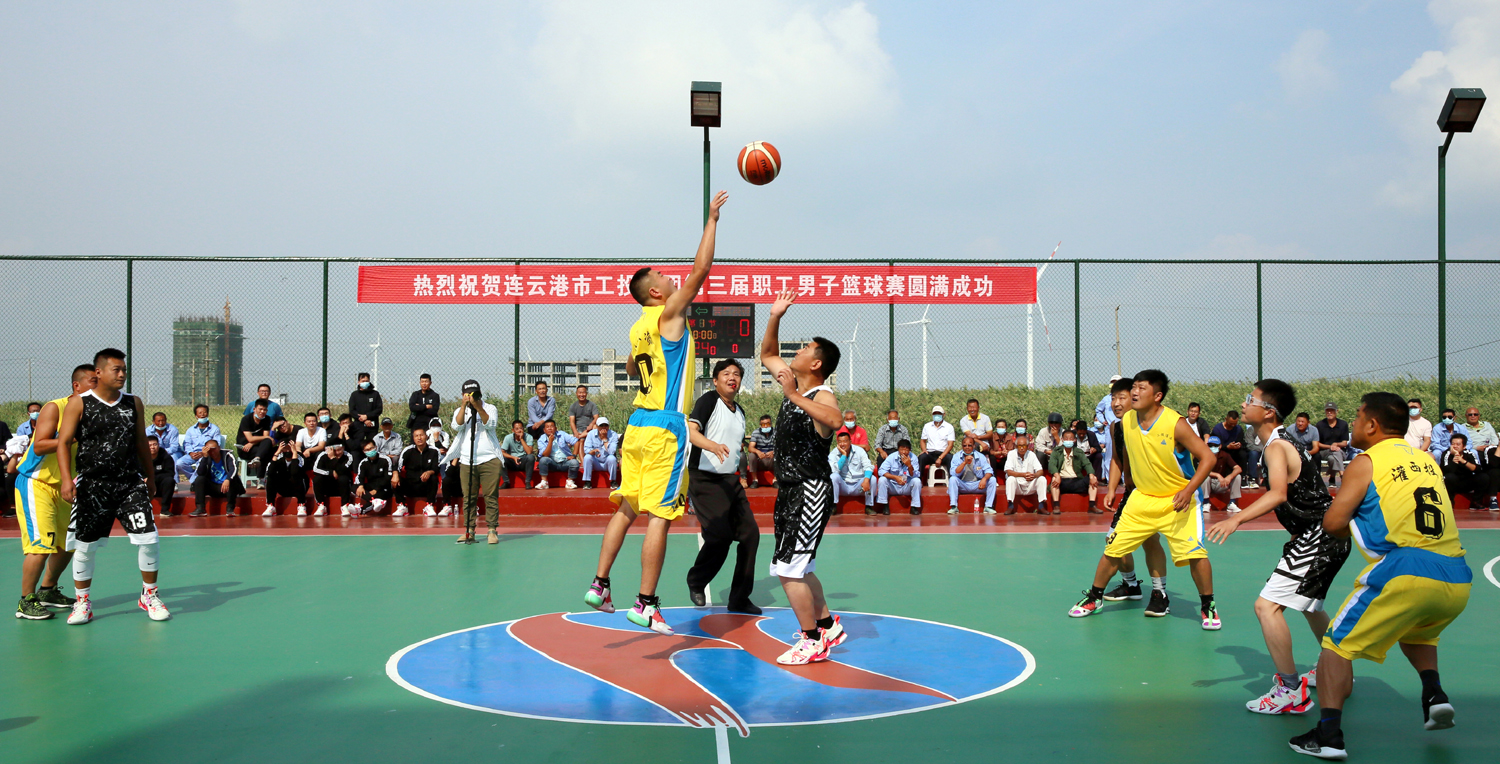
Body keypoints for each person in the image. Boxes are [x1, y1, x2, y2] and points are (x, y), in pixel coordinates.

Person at [1287, 392, 1473, 760]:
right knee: (1418, 631)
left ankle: (1328, 735)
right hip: (1456, 575)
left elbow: (1334, 523)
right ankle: (1434, 694)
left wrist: (1347, 521)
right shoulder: (1425, 460)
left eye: (1357, 417)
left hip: (1405, 570)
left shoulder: (1366, 461)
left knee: (1335, 646)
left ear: (1372, 425)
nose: (1353, 423)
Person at [584, 188, 727, 635]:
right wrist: (712, 220)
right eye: (664, 276)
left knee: (626, 507)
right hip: (666, 427)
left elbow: (632, 367)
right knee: (660, 516)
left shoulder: (637, 327)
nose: (670, 277)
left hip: (636, 426)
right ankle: (645, 602)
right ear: (654, 291)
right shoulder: (668, 314)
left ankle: (600, 584)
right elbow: (701, 270)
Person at [1206, 380, 1352, 718]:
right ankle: (1339, 671)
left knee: (1266, 607)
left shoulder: (1276, 446)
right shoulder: (1283, 442)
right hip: (1322, 534)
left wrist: (1235, 519)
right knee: (1310, 605)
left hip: (1318, 536)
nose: (1244, 404)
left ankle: (1290, 691)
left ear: (1269, 412)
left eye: (1251, 399)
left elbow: (1278, 494)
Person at [1070, 369, 1220, 630]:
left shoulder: (1175, 423)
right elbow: (1121, 458)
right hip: (1141, 498)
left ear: (1157, 396)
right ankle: (1095, 598)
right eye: (1134, 388)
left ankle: (1208, 605)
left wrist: (1188, 490)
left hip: (1177, 500)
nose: (1135, 392)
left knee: (1195, 554)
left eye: (1141, 388)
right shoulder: (1125, 422)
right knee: (1113, 549)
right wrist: (1113, 487)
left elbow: (1208, 458)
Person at [758, 290, 845, 665]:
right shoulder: (794, 381)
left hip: (810, 490)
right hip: (791, 490)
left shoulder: (822, 395)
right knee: (801, 567)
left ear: (817, 362)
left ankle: (812, 641)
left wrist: (794, 395)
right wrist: (775, 316)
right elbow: (767, 354)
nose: (800, 349)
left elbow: (836, 421)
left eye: (807, 347)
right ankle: (827, 625)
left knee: (788, 569)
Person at [54, 349, 168, 624]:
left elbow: (141, 442)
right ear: (99, 372)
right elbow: (63, 442)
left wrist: (150, 477)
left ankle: (149, 595)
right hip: (93, 486)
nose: (122, 374)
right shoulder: (79, 403)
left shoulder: (133, 402)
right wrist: (67, 480)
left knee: (149, 540)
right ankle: (83, 603)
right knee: (85, 547)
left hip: (130, 484)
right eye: (116, 369)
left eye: (124, 369)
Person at [11, 366, 91, 620]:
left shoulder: (93, 413)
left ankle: (48, 590)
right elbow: (41, 445)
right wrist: (73, 439)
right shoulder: (55, 408)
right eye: (93, 382)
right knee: (41, 546)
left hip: (65, 486)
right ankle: (26, 601)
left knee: (68, 544)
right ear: (76, 386)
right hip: (36, 483)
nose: (98, 387)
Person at [684, 358, 760, 614]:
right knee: (720, 536)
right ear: (715, 380)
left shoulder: (740, 412)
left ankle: (739, 598)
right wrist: (712, 446)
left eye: (736, 374)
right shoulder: (708, 401)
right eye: (726, 373)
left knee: (750, 535)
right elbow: (691, 432)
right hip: (705, 479)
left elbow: (736, 448)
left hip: (730, 481)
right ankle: (697, 580)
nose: (732, 377)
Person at [1098, 377, 1171, 612]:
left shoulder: (1151, 425)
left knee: (1151, 541)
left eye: (1122, 397)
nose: (1116, 403)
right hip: (1132, 494)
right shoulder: (1116, 427)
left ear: (1135, 398)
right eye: (1113, 398)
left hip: (1153, 492)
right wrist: (1111, 489)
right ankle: (1131, 585)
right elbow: (1116, 459)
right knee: (1115, 540)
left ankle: (1159, 593)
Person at [452, 380, 502, 543]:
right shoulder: (460, 411)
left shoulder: (490, 408)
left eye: (474, 393)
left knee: (490, 496)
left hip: (489, 459)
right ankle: (469, 530)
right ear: (462, 395)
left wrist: (478, 407)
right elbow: (457, 426)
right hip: (467, 460)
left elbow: (490, 424)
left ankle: (492, 530)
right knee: (469, 497)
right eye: (468, 394)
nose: (471, 396)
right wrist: (464, 406)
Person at [395, 427, 442, 517]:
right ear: (413, 438)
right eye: (416, 436)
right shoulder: (408, 451)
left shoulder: (434, 451)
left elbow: (437, 468)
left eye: (421, 435)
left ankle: (430, 505)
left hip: (426, 486)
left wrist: (429, 472)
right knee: (395, 477)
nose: (419, 438)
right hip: (410, 486)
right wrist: (395, 475)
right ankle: (402, 506)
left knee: (433, 478)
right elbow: (398, 466)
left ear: (426, 436)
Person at [190, 439, 243, 518]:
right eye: (209, 450)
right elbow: (200, 473)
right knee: (199, 479)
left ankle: (230, 509)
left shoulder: (228, 455)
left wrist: (227, 479)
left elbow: (233, 469)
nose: (212, 452)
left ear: (219, 448)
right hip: (213, 487)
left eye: (214, 449)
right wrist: (205, 457)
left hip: (227, 487)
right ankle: (200, 508)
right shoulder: (205, 457)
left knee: (232, 480)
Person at [948, 435, 997, 514]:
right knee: (952, 479)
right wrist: (964, 462)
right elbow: (954, 473)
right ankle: (954, 507)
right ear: (962, 446)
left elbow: (989, 471)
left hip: (978, 485)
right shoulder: (956, 456)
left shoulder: (981, 456)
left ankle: (988, 506)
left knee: (992, 480)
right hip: (963, 484)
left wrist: (984, 479)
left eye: (969, 445)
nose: (967, 447)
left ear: (974, 446)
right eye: (965, 445)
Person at [1049, 429, 1097, 510]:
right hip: (1062, 481)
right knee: (1054, 479)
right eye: (1066, 438)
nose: (1068, 441)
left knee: (1093, 478)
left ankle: (1092, 506)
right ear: (1062, 439)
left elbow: (1087, 464)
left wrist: (1091, 475)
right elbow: (1052, 465)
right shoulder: (1057, 451)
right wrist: (1057, 475)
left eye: (1071, 439)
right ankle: (1056, 506)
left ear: (1074, 440)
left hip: (1076, 481)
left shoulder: (1079, 452)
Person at [260, 436, 307, 516]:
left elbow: (295, 472)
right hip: (283, 487)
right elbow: (269, 472)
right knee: (271, 478)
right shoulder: (277, 456)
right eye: (285, 448)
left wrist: (294, 454)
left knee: (297, 477)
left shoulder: (300, 457)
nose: (288, 450)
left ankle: (301, 505)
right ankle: (271, 506)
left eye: (289, 447)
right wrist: (277, 453)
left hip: (298, 488)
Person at [829, 431, 875, 512]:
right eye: (840, 442)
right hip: (843, 486)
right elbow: (834, 470)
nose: (842, 444)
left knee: (873, 479)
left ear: (850, 442)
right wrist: (844, 455)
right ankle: (833, 505)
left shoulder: (860, 451)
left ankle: (869, 506)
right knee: (833, 477)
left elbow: (868, 466)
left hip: (859, 486)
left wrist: (866, 480)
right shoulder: (834, 453)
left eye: (845, 441)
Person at [876, 439, 922, 515]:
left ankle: (914, 507)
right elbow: (881, 471)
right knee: (882, 479)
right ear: (898, 449)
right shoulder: (891, 457)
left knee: (917, 481)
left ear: (909, 450)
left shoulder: (913, 458)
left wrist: (909, 465)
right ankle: (884, 505)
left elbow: (916, 475)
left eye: (906, 450)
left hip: (906, 486)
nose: (904, 452)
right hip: (893, 486)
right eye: (902, 449)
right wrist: (895, 477)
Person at [352, 438, 396, 515]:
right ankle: (375, 501)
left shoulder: (385, 459)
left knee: (380, 494)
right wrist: (361, 486)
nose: (370, 451)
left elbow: (387, 477)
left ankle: (360, 509)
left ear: (376, 447)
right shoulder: (363, 463)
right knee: (354, 487)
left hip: (384, 487)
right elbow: (360, 476)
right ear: (363, 451)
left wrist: (376, 489)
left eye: (371, 448)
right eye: (367, 450)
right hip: (371, 486)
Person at [1003, 435, 1047, 514]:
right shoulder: (1011, 454)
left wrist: (1033, 476)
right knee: (1010, 479)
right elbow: (1009, 472)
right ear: (1016, 446)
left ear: (1027, 446)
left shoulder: (1032, 455)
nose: (1022, 448)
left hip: (1030, 484)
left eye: (1024, 446)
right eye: (1019, 446)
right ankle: (1010, 506)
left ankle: (1041, 506)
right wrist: (1023, 475)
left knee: (1042, 479)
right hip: (1017, 486)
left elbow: (1040, 471)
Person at [1438, 433, 1484, 507]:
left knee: (1483, 477)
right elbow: (1446, 470)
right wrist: (1455, 457)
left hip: (1467, 481)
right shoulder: (1446, 454)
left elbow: (1477, 469)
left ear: (1464, 446)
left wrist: (1462, 461)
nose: (1455, 446)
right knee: (1450, 477)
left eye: (1458, 444)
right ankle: (1450, 502)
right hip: (1453, 483)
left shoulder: (1470, 454)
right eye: (1453, 444)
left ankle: (1476, 502)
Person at [178, 405, 222, 479]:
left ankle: (195, 481)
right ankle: (194, 479)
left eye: (204, 412)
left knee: (201, 465)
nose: (202, 415)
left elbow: (216, 444)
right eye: (200, 413)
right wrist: (191, 453)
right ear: (196, 416)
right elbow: (187, 444)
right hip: (193, 454)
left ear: (208, 414)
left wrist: (204, 453)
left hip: (206, 455)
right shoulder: (191, 430)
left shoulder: (215, 429)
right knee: (179, 463)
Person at [310, 439, 352, 516]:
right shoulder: (322, 455)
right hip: (326, 486)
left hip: (340, 487)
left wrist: (333, 458)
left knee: (344, 478)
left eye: (340, 450)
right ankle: (321, 506)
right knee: (317, 479)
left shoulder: (348, 456)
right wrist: (330, 472)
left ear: (343, 448)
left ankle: (344, 506)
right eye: (335, 450)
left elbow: (342, 470)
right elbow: (316, 470)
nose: (338, 453)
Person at [235, 400, 275, 479]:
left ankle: (257, 459)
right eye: (260, 409)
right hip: (245, 448)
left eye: (264, 410)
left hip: (258, 447)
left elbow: (265, 437)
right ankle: (261, 478)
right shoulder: (246, 419)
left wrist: (253, 443)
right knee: (266, 452)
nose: (262, 412)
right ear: (254, 409)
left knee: (268, 445)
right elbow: (250, 438)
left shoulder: (267, 419)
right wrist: (266, 437)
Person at [536, 420, 581, 489]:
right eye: (547, 427)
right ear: (544, 430)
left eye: (552, 426)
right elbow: (545, 455)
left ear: (556, 428)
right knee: (543, 460)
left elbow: (576, 442)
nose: (550, 428)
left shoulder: (562, 434)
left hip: (565, 461)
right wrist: (550, 441)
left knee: (574, 462)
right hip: (552, 463)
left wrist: (574, 455)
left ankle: (570, 481)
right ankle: (544, 482)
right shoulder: (541, 439)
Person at [1205, 435, 1243, 513]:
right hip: (1208, 483)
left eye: (1215, 445)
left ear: (1220, 446)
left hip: (1222, 483)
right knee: (1205, 477)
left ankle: (1232, 503)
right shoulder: (1203, 455)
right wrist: (1217, 475)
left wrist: (1229, 477)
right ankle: (1205, 503)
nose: (1213, 447)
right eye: (1210, 445)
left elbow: (1238, 468)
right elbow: (1200, 471)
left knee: (1237, 476)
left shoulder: (1225, 455)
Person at [1315, 403, 1350, 486]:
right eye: (1327, 411)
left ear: (1337, 411)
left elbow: (1344, 443)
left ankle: (1332, 477)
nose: (1329, 413)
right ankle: (1342, 476)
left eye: (1332, 411)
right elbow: (1317, 443)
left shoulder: (1343, 424)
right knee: (1335, 453)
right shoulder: (1320, 424)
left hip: (1340, 451)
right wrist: (1330, 447)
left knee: (1333, 457)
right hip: (1324, 451)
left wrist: (1336, 444)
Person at [918, 405, 956, 479]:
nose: (937, 415)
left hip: (944, 453)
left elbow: (950, 445)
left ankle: (952, 480)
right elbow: (923, 440)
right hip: (930, 453)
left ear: (943, 414)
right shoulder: (927, 426)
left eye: (939, 413)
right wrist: (924, 450)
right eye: (935, 413)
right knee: (921, 457)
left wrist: (940, 458)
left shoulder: (949, 427)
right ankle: (918, 480)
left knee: (950, 458)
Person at [581, 418, 620, 489]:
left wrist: (605, 439)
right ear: (597, 426)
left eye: (606, 425)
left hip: (607, 462)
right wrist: (592, 452)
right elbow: (586, 449)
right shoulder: (591, 434)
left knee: (612, 458)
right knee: (587, 457)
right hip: (596, 462)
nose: (604, 427)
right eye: (601, 425)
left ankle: (613, 481)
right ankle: (587, 481)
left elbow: (612, 451)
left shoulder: (613, 435)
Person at [348, 372, 383, 449]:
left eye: (367, 381)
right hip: (358, 426)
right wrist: (363, 419)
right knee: (358, 446)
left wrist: (367, 416)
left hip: (372, 425)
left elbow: (379, 409)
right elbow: (352, 411)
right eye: (363, 381)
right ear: (359, 382)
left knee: (372, 446)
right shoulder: (354, 395)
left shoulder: (375, 394)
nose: (365, 382)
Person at [146, 411, 186, 480]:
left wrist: (162, 452)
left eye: (163, 420)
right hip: (155, 452)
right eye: (158, 421)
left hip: (173, 452)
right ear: (153, 422)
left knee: (173, 459)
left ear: (166, 420)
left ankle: (174, 481)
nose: (161, 423)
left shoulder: (173, 429)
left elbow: (174, 447)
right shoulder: (148, 431)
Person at [1212, 409, 1248, 480]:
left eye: (1234, 424)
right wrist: (1227, 447)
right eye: (1230, 423)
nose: (1232, 425)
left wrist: (1239, 445)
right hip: (1223, 450)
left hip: (1235, 450)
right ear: (1226, 419)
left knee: (1243, 454)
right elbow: (1215, 445)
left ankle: (1243, 477)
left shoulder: (1238, 429)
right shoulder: (1217, 429)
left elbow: (1242, 442)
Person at [500, 420, 537, 489]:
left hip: (523, 461)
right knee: (501, 458)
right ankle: (506, 482)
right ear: (513, 430)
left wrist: (521, 439)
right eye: (517, 429)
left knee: (531, 457)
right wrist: (513, 457)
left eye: (521, 428)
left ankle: (528, 482)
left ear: (523, 429)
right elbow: (502, 452)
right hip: (512, 461)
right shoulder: (508, 438)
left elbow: (529, 452)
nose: (519, 430)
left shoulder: (529, 437)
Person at [146, 435, 176, 514]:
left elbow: (170, 474)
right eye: (150, 445)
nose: (153, 447)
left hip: (160, 487)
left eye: (155, 444)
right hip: (146, 487)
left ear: (158, 445)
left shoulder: (166, 457)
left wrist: (152, 479)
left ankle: (165, 510)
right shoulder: (141, 458)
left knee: (169, 481)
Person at [958, 399, 993, 463]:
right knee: (973, 446)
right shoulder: (963, 420)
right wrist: (981, 442)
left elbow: (990, 434)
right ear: (967, 408)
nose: (972, 409)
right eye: (970, 407)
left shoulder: (985, 418)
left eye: (974, 407)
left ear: (978, 408)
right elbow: (969, 436)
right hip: (971, 443)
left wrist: (979, 437)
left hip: (985, 443)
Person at [747, 415, 776, 486]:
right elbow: (750, 448)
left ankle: (775, 480)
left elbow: (782, 446)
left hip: (772, 460)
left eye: (768, 424)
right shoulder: (756, 432)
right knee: (751, 455)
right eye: (763, 424)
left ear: (771, 424)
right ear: (760, 425)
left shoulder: (776, 432)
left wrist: (774, 452)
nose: (765, 426)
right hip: (760, 460)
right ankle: (755, 480)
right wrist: (758, 452)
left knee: (779, 454)